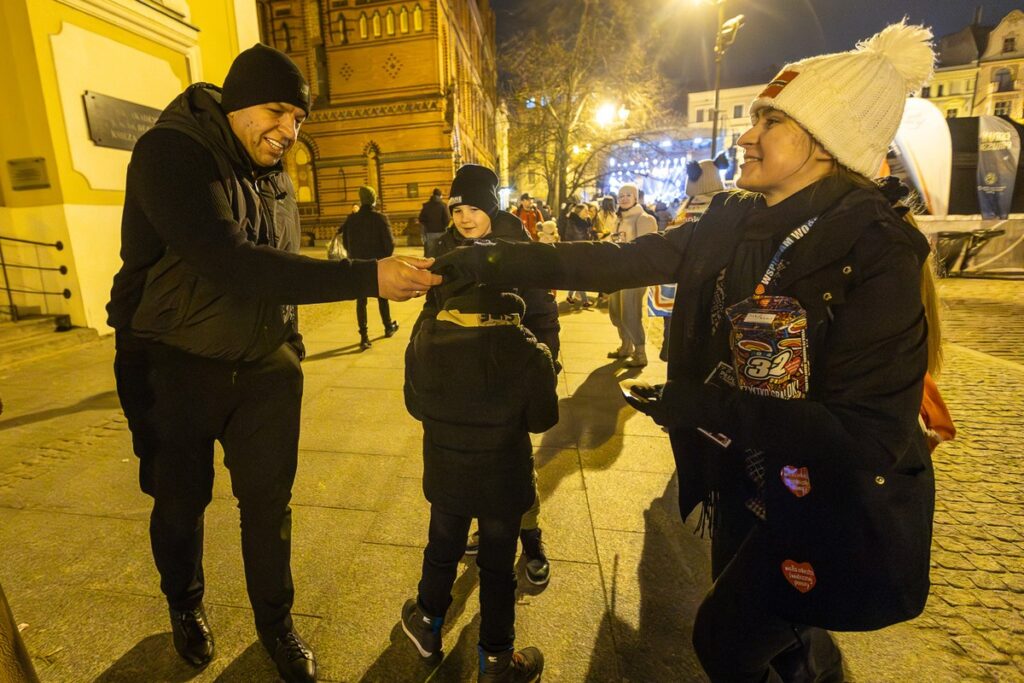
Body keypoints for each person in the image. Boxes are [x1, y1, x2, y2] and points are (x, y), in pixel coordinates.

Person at [434, 22, 938, 682]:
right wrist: (493, 258)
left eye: (770, 121)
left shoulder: (876, 248)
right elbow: (619, 261)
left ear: (827, 140)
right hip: (743, 481)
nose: (745, 137)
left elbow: (868, 436)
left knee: (724, 641)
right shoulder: (733, 216)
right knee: (786, 641)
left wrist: (699, 405)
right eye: (753, 117)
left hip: (825, 505)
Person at [106, 43, 439, 683]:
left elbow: (279, 263)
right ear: (238, 104)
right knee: (179, 502)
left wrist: (290, 345)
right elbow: (229, 261)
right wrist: (368, 276)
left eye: (299, 118)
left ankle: (277, 626)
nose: (289, 130)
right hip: (171, 367)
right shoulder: (170, 152)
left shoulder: (275, 171)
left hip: (263, 368)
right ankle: (185, 605)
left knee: (269, 506)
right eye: (278, 112)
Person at [401, 284, 558, 682]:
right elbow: (542, 420)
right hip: (503, 480)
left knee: (441, 550)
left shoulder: (427, 340)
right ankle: (496, 660)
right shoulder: (527, 349)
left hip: (447, 473)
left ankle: (426, 623)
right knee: (498, 568)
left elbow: (415, 406)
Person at [418, 164, 560, 585]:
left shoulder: (517, 245)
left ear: (491, 209)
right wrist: (422, 355)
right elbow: (431, 310)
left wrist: (545, 364)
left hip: (510, 375)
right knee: (467, 465)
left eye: (474, 209)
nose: (464, 218)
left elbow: (542, 312)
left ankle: (530, 536)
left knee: (515, 466)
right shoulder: (447, 249)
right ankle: (486, 529)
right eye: (457, 210)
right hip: (459, 378)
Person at [340, 186, 400, 350]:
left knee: (361, 301)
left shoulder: (351, 220)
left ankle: (364, 336)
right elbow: (390, 243)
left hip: (358, 264)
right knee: (383, 296)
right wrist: (383, 257)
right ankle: (388, 326)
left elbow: (345, 243)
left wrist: (355, 256)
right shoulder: (380, 218)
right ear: (373, 199)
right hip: (377, 263)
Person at [607, 183, 657, 366]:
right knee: (616, 312)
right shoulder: (618, 219)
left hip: (635, 274)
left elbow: (647, 249)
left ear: (636, 197)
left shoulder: (644, 219)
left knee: (630, 313)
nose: (624, 198)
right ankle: (625, 347)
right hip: (617, 272)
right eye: (621, 196)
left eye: (628, 195)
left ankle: (640, 353)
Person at [564, 204, 595, 308]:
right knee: (580, 277)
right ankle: (585, 300)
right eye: (585, 211)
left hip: (584, 251)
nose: (588, 212)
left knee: (577, 277)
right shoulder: (572, 222)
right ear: (579, 212)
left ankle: (569, 296)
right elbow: (574, 238)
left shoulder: (585, 222)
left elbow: (589, 235)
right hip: (576, 252)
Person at [419, 187, 451, 258]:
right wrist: (444, 226)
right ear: (440, 196)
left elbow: (421, 219)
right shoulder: (443, 205)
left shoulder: (426, 206)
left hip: (430, 232)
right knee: (442, 251)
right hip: (441, 232)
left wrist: (427, 225)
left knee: (430, 252)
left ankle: (430, 265)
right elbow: (447, 218)